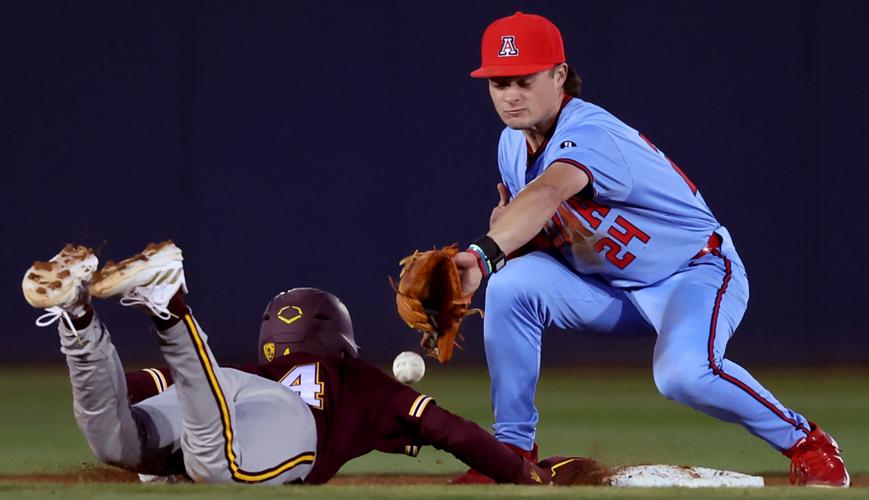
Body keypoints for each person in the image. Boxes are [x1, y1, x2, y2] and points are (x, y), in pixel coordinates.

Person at [448, 11, 849, 487]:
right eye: (498, 83)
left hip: (692, 272)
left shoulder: (592, 132)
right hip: (612, 289)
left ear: (558, 76)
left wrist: (481, 255)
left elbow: (547, 193)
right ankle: (510, 452)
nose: (511, 94)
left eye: (524, 80)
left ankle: (809, 444)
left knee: (683, 375)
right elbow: (553, 228)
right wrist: (511, 246)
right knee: (511, 285)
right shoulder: (511, 145)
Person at [22, 241, 586, 485]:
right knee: (220, 468)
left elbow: (136, 384)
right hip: (285, 426)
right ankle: (171, 308)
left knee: (114, 442)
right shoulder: (361, 382)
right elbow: (449, 429)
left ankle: (77, 319)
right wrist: (519, 470)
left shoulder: (252, 368)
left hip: (224, 388)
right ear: (341, 337)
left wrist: (103, 395)